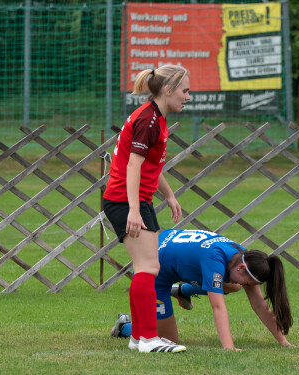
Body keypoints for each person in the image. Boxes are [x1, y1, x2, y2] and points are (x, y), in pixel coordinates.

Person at [102, 65, 191, 353]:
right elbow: (133, 166)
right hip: (126, 200)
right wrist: (133, 210)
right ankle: (148, 339)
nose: (188, 96)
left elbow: (150, 165)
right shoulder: (150, 120)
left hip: (137, 200)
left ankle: (139, 338)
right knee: (148, 267)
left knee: (148, 268)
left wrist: (169, 195)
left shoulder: (156, 118)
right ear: (167, 90)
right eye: (185, 90)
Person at [110, 229, 293, 351]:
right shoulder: (215, 260)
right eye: (248, 283)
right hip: (154, 269)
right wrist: (229, 348)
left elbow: (260, 306)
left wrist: (283, 341)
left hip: (169, 244)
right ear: (242, 268)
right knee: (168, 339)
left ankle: (183, 291)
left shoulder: (243, 256)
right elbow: (218, 307)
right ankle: (125, 327)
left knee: (233, 286)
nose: (247, 287)